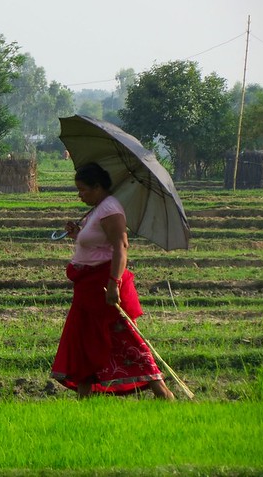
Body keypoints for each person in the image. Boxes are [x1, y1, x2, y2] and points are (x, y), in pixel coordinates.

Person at [51, 162, 174, 400]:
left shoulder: (110, 209)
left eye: (83, 190)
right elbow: (100, 244)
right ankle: (83, 402)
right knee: (85, 340)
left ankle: (164, 394)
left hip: (104, 287)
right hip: (88, 288)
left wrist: (114, 283)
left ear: (97, 187)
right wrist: (78, 234)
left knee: (126, 341)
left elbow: (121, 246)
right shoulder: (98, 208)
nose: (80, 195)